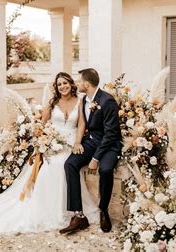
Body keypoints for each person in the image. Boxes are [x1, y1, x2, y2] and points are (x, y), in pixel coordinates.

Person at [0, 72, 98, 237]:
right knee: (52, 167)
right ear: (56, 87)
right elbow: (41, 126)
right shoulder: (53, 103)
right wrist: (44, 142)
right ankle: (49, 210)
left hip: (71, 142)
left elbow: (81, 123)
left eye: (65, 83)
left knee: (66, 165)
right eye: (59, 84)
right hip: (55, 142)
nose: (63, 87)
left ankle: (72, 212)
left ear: (71, 84)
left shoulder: (80, 101)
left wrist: (77, 142)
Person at [60, 68, 122, 235]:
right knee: (70, 164)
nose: (77, 84)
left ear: (86, 84)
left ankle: (103, 210)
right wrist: (79, 142)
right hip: (91, 142)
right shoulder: (83, 99)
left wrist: (95, 158)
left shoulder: (107, 101)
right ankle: (79, 215)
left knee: (106, 169)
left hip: (109, 144)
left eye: (79, 81)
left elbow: (111, 134)